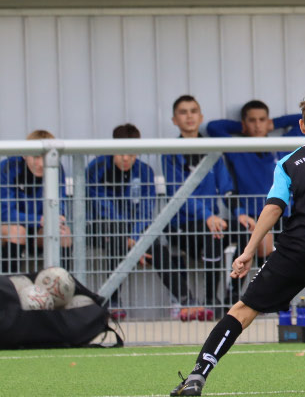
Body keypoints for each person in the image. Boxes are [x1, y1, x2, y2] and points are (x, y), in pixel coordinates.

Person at [170, 92, 305, 396]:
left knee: (244, 310)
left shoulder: (289, 162)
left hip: (297, 250)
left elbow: (273, 208)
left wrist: (248, 251)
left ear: (301, 125)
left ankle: (198, 374)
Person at [86, 123, 206, 321]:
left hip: (135, 232)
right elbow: (103, 208)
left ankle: (186, 301)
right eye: (122, 153)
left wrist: (135, 239)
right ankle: (112, 302)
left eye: (132, 154)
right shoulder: (97, 168)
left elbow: (146, 209)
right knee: (116, 237)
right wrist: (130, 239)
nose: (127, 159)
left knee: (158, 247)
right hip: (100, 229)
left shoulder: (144, 171)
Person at [161, 95, 235, 315]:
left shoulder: (212, 149)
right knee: (212, 232)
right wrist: (206, 215)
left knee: (245, 231)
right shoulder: (171, 153)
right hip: (181, 227)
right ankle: (212, 301)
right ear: (175, 120)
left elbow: (226, 188)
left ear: (200, 116)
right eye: (183, 112)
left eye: (193, 111)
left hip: (210, 224)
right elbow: (178, 194)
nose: (189, 116)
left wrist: (239, 213)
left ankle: (234, 298)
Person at [206, 100, 302, 260]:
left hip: (283, 215)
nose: (257, 125)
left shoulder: (281, 145)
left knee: (292, 256)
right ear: (245, 123)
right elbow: (213, 127)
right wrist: (240, 127)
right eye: (252, 120)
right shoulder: (237, 149)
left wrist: (274, 124)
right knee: (257, 254)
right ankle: (237, 286)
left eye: (262, 120)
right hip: (253, 218)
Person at [0, 130, 71, 274]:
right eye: (36, 157)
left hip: (39, 229)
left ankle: (60, 286)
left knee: (64, 233)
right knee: (17, 231)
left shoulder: (56, 168)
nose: (41, 163)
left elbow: (59, 203)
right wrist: (40, 220)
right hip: (12, 227)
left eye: (45, 157)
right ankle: (8, 289)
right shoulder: (8, 167)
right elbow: (6, 214)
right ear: (24, 155)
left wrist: (59, 217)